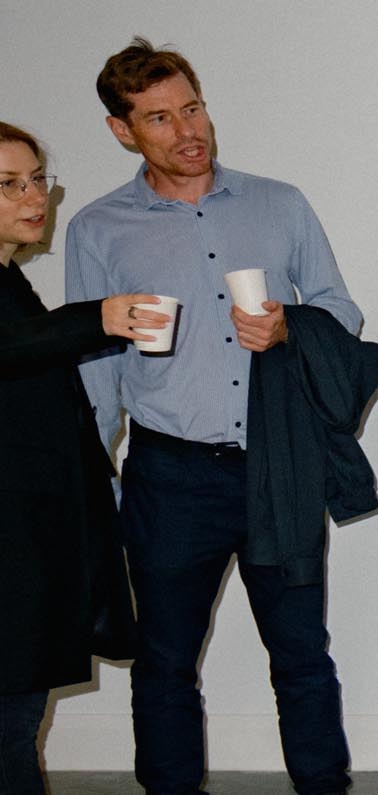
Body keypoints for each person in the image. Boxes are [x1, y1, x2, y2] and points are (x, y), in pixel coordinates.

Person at [65, 39, 364, 794]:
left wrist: (290, 325)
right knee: (164, 663)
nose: (186, 130)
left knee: (302, 654)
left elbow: (343, 311)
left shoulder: (279, 202)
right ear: (122, 130)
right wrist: (97, 483)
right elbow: (94, 363)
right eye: (159, 118)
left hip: (277, 466)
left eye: (192, 107)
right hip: (170, 476)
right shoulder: (99, 229)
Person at [0, 123, 157, 795]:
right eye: (9, 185)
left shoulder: (8, 281)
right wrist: (98, 318)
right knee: (9, 721)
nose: (34, 196)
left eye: (37, 178)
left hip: (26, 540)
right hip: (8, 547)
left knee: (16, 715)